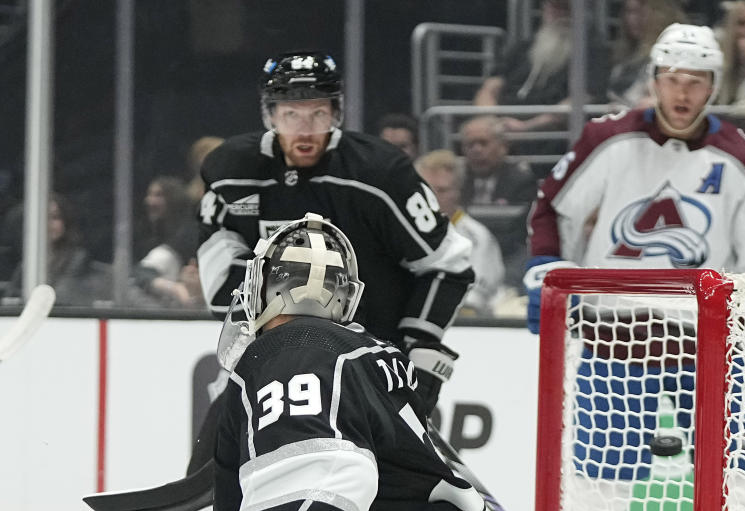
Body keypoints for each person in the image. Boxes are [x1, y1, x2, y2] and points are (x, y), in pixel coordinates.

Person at [107, 215, 507, 511]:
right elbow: (318, 489)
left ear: (257, 289)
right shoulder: (355, 355)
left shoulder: (292, 350)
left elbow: (323, 480)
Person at [524, 23, 745, 511]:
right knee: (598, 485)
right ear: (654, 80)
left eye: (695, 81)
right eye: (672, 79)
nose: (682, 92)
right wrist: (548, 274)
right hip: (614, 343)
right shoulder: (607, 138)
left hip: (711, 349)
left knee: (737, 485)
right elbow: (552, 209)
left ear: (713, 87)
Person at [196, 52, 473, 419]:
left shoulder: (382, 174)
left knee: (375, 474)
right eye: (290, 114)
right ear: (270, 115)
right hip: (270, 366)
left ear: (336, 112)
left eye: (318, 113)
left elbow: (449, 265)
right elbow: (221, 285)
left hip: (370, 362)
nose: (305, 129)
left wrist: (421, 345)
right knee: (215, 466)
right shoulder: (230, 173)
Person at [473, 0, 609, 133]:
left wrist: (526, 126)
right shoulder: (524, 47)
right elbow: (489, 88)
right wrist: (491, 122)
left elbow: (582, 99)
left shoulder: (593, 51)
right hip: (500, 126)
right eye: (555, 6)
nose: (562, 14)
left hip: (547, 132)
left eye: (567, 7)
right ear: (545, 7)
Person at [415, 150, 506, 316]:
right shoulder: (403, 231)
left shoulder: (477, 237)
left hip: (467, 324)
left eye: (442, 190)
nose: (432, 197)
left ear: (458, 192)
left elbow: (476, 297)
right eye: (426, 189)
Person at [3, 193, 112, 306]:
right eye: (41, 218)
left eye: (54, 218)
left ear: (66, 222)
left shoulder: (79, 261)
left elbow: (64, 299)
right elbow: (11, 297)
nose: (48, 224)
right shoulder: (29, 262)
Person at [128, 176, 203, 309]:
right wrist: (176, 289)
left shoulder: (187, 233)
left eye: (158, 195)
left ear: (173, 200)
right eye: (150, 195)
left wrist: (178, 289)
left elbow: (143, 272)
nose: (149, 201)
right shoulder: (146, 231)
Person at [606, 0, 687, 107]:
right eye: (629, 12)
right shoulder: (623, 57)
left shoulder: (673, 55)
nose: (633, 19)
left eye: (641, 12)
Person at [459, 115, 538, 207]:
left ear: (502, 147)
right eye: (470, 144)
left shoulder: (521, 181)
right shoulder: (457, 182)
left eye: (484, 143)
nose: (477, 150)